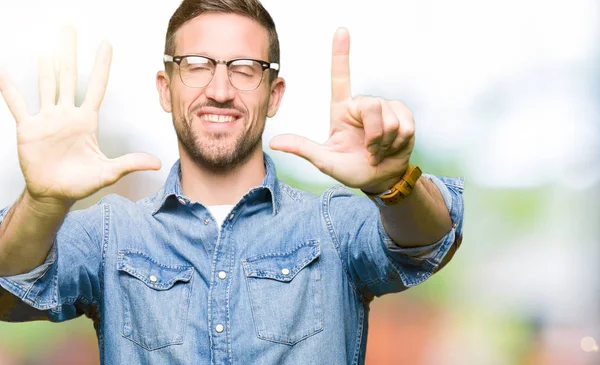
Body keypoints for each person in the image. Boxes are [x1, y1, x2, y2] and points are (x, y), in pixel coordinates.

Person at [0, 0, 464, 364]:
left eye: (244, 68)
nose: (219, 89)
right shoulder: (110, 235)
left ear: (274, 94)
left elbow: (431, 241)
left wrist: (394, 183)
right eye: (197, 64)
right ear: (166, 87)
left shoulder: (332, 226)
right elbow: (8, 291)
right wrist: (42, 203)